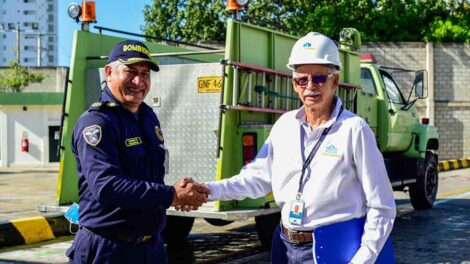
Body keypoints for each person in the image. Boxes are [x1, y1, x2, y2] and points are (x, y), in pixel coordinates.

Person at [205, 32, 396, 263]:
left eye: (319, 78)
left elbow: (382, 206)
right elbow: (256, 180)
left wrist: (363, 259)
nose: (310, 86)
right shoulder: (284, 126)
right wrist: (207, 191)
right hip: (285, 247)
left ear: (334, 81)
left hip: (332, 250)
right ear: (294, 84)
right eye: (301, 80)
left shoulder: (354, 130)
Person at [66, 40, 209, 264]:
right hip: (108, 250)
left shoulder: (147, 116)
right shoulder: (97, 123)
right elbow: (107, 186)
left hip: (151, 248)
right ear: (109, 72)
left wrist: (176, 191)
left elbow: (148, 176)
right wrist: (170, 195)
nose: (138, 81)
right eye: (130, 72)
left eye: (145, 74)